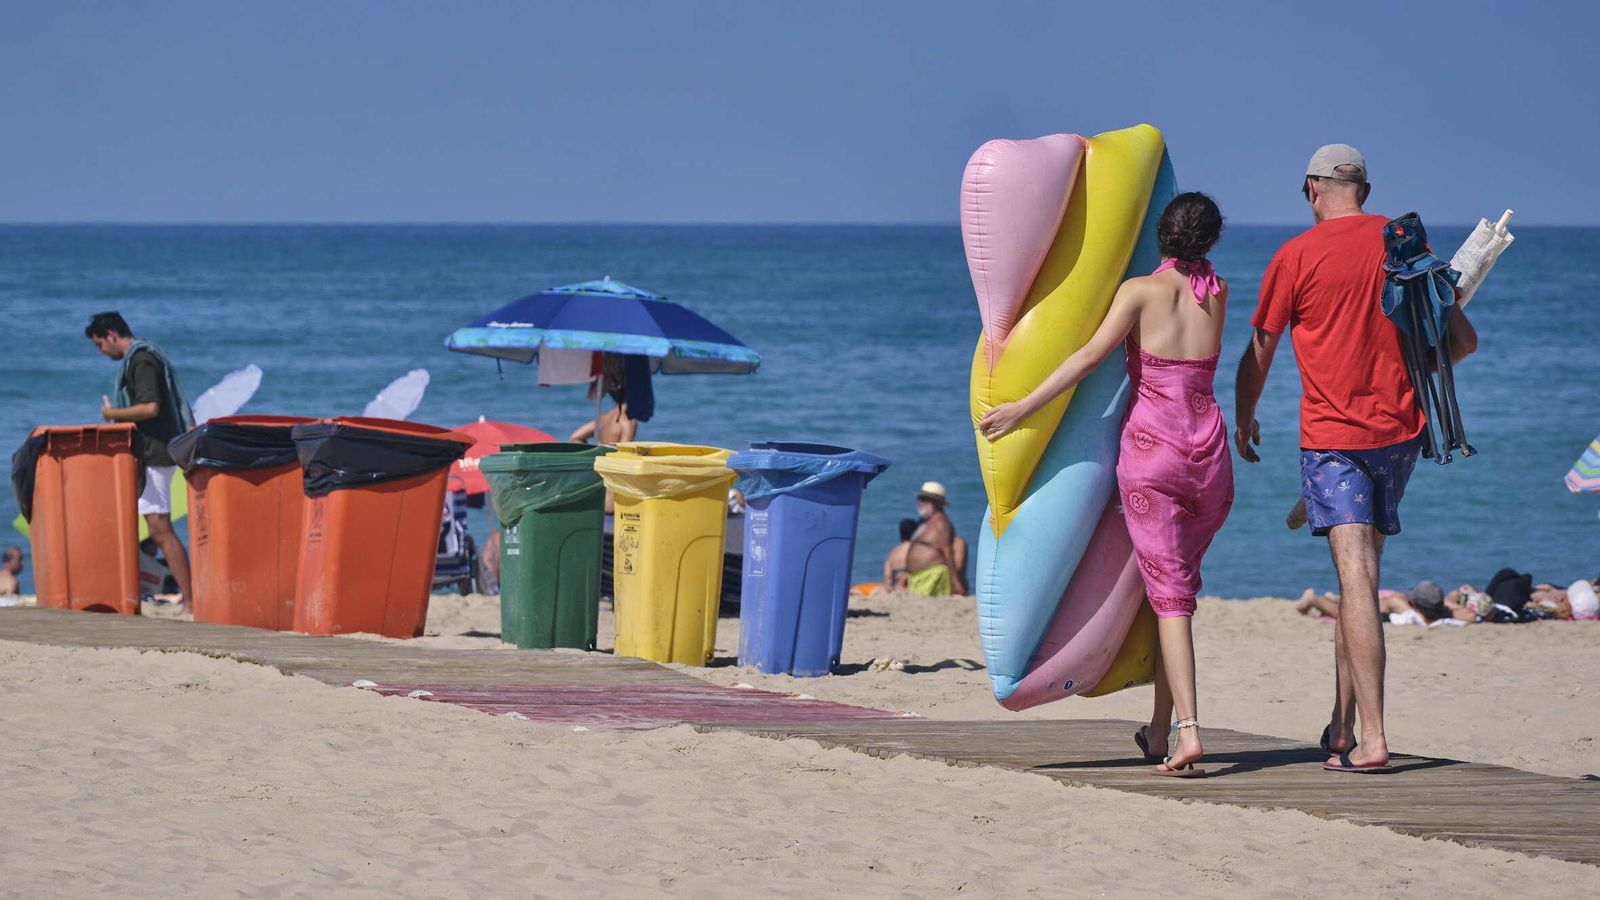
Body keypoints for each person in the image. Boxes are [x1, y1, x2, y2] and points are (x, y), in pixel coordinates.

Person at [1233, 145, 1478, 773]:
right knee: (1360, 581)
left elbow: (1260, 349)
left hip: (1334, 439)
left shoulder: (1295, 256)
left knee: (1357, 582)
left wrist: (1244, 415)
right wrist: (1407, 369)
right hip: (1400, 435)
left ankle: (1372, 738)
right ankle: (1341, 728)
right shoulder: (1404, 246)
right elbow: (1463, 342)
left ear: (1312, 188)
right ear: (1363, 190)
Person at [981, 192, 1233, 777]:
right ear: (1211, 242)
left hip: (1155, 454)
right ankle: (1158, 729)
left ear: (1161, 240)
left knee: (1170, 600)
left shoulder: (1139, 291)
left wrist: (1023, 408)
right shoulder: (1218, 293)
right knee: (1175, 596)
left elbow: (1091, 357)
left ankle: (1189, 732)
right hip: (1211, 459)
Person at [87, 312, 196, 614]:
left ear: (111, 335)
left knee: (160, 528)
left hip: (156, 452)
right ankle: (186, 598)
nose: (100, 351)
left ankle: (190, 601)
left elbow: (150, 407)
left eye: (99, 344)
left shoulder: (141, 360)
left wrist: (113, 415)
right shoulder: (144, 356)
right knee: (156, 527)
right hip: (154, 450)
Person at [904, 482, 969, 596]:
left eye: (924, 499)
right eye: (920, 499)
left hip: (932, 577)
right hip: (921, 578)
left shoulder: (940, 523)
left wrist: (955, 583)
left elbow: (947, 552)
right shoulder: (928, 522)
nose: (920, 503)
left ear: (937, 502)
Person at [568, 354, 638, 447]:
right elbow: (624, 451)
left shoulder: (603, 419)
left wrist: (590, 453)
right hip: (613, 461)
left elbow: (575, 438)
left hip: (600, 460)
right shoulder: (628, 421)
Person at [880, 518, 920, 593]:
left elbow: (887, 578)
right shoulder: (917, 551)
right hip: (911, 586)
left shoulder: (892, 553)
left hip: (895, 587)